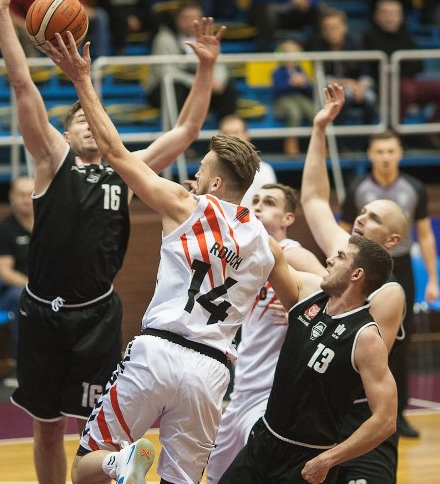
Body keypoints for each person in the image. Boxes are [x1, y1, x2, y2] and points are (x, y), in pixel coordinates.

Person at [46, 27, 339, 484]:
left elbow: (115, 153)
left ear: (217, 184)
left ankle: (118, 463)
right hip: (212, 371)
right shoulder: (266, 243)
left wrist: (82, 80)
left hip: (159, 350)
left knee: (86, 465)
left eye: (201, 173)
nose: (194, 179)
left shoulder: (186, 206)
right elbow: (299, 301)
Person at [0, 0, 217, 484]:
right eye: (78, 119)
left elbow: (187, 129)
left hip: (97, 318)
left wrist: (204, 69)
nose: (87, 122)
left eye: (93, 117)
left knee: (97, 432)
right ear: (63, 132)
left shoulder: (125, 174)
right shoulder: (50, 162)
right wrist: (1, 14)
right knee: (44, 428)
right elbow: (22, 85)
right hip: (42, 313)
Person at [218, 233, 397, 484]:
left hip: (308, 460)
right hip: (263, 440)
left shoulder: (366, 338)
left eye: (341, 256)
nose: (330, 260)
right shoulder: (310, 294)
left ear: (357, 275)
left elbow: (386, 420)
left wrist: (329, 459)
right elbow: (274, 256)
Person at [300, 84, 410, 484]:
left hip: (364, 423)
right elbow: (313, 198)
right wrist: (319, 129)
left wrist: (303, 281)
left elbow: (349, 331)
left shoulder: (390, 291)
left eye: (373, 218)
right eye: (361, 212)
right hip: (322, 417)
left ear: (392, 241)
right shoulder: (343, 254)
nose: (361, 219)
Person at [205, 183, 327, 484]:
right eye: (255, 200)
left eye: (269, 202)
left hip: (270, 395)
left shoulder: (291, 253)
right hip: (242, 390)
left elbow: (336, 294)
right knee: (216, 475)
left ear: (287, 218)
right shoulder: (255, 255)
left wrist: (301, 317)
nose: (258, 205)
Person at [339, 129, 440, 439]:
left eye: (391, 151)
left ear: (399, 153)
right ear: (370, 154)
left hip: (403, 268)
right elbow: (343, 235)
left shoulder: (414, 188)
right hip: (365, 268)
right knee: (360, 340)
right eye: (379, 151)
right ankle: (356, 413)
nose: (385, 156)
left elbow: (425, 235)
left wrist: (433, 279)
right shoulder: (357, 188)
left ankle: (397, 416)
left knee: (399, 344)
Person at [363, 0, 440, 148]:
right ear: (376, 16)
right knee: (405, 89)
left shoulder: (406, 35)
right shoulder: (369, 37)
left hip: (409, 84)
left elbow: (419, 65)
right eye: (386, 13)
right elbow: (378, 66)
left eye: (395, 13)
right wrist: (402, 65)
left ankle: (430, 133)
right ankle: (395, 137)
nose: (390, 18)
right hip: (383, 86)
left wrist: (399, 64)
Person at [146, 3, 238, 122]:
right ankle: (174, 132)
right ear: (177, 19)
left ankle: (229, 131)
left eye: (196, 18)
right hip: (166, 89)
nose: (191, 22)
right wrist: (195, 82)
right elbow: (165, 72)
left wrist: (217, 81)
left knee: (228, 86)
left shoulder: (208, 39)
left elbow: (219, 65)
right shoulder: (164, 38)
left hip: (200, 87)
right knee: (175, 88)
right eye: (187, 18)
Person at [0, 175, 34, 387]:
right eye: (22, 194)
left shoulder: (51, 223)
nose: (27, 199)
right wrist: (33, 287)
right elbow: (4, 272)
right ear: (12, 197)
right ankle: (23, 370)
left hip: (48, 289)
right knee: (24, 300)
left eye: (31, 194)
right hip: (14, 292)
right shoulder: (5, 229)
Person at [309, 8, 378, 126]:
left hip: (357, 87)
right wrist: (346, 83)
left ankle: (369, 140)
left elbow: (367, 73)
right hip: (330, 90)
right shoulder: (317, 46)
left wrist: (360, 86)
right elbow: (319, 77)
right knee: (344, 97)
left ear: (344, 27)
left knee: (370, 98)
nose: (331, 32)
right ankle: (340, 140)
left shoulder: (356, 45)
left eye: (335, 27)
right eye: (327, 28)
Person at [218, 115, 276, 207]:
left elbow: (268, 207)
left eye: (235, 132)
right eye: (226, 133)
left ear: (246, 135)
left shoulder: (264, 170)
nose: (230, 138)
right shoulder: (209, 168)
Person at [271, 39, 315, 156]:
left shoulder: (300, 71)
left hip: (298, 98)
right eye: (288, 55)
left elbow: (309, 90)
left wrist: (304, 83)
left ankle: (319, 143)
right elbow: (278, 89)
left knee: (312, 111)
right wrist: (290, 83)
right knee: (294, 112)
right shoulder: (278, 72)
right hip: (283, 100)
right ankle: (291, 143)